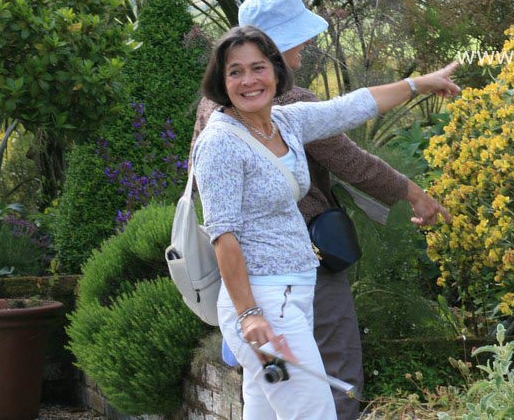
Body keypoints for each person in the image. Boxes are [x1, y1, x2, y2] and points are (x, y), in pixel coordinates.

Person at [192, 24, 459, 419]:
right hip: (265, 305)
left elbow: (352, 106)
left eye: (259, 68)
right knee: (315, 413)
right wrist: (249, 315)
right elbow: (223, 234)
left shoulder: (285, 122)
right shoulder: (220, 143)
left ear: (277, 73)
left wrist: (418, 84)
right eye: (235, 72)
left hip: (293, 294)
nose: (249, 81)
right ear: (221, 80)